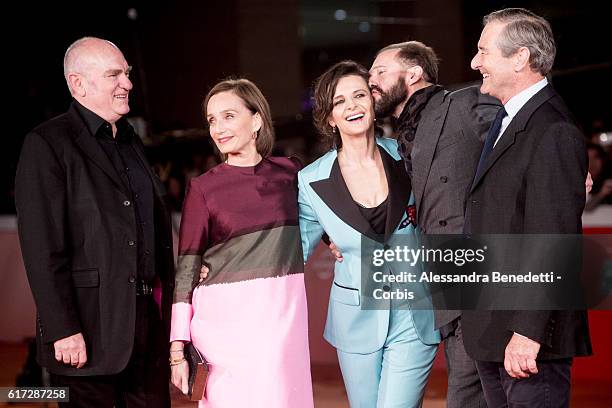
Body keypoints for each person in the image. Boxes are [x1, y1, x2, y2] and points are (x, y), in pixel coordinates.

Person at [330, 41, 499, 407]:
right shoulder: (395, 144)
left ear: (413, 74)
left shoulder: (463, 103)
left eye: (379, 71)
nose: (370, 80)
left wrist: (569, 164)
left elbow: (522, 134)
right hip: (440, 289)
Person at [15, 37, 174, 407]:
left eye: (127, 74)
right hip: (85, 333)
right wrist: (63, 328)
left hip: (146, 329)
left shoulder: (131, 142)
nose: (128, 83)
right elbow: (42, 248)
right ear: (78, 84)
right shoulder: (47, 143)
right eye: (114, 75)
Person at [462, 8, 592, 407]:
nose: (475, 62)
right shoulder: (508, 121)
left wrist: (528, 332)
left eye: (484, 51)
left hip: (527, 341)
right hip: (493, 330)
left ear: (520, 57)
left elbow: (551, 241)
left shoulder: (552, 131)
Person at [298, 60, 440, 407]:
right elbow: (292, 252)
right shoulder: (311, 180)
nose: (352, 106)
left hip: (414, 310)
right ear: (330, 117)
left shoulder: (408, 156)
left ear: (374, 104)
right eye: (340, 101)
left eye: (360, 95)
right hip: (356, 318)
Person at [169, 79, 313, 407]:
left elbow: (324, 215)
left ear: (257, 120)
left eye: (229, 116)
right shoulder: (203, 188)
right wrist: (178, 346)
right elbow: (187, 268)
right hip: (222, 333)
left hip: (281, 327)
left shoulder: (290, 174)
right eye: (212, 119)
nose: (218, 127)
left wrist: (336, 239)